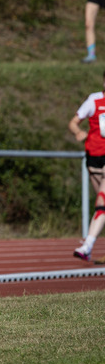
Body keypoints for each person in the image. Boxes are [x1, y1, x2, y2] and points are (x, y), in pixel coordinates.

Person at [69, 69, 105, 260]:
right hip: (94, 155)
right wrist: (78, 132)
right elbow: (73, 122)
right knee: (101, 204)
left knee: (102, 202)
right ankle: (89, 246)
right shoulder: (94, 100)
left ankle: (87, 246)